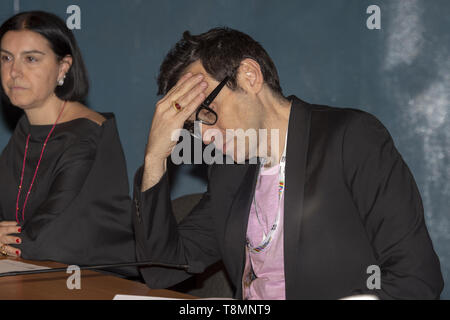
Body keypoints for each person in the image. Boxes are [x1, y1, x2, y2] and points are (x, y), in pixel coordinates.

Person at [133, 27, 444, 299]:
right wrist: (154, 158)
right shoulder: (230, 170)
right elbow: (164, 270)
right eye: (193, 126)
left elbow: (416, 278)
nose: (204, 136)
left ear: (249, 76)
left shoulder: (351, 138)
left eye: (208, 112)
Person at [0, 11, 138, 278]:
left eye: (30, 59)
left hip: (95, 281)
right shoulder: (26, 129)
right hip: (33, 274)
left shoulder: (88, 134)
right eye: (6, 58)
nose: (14, 72)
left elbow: (47, 238)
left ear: (63, 67)